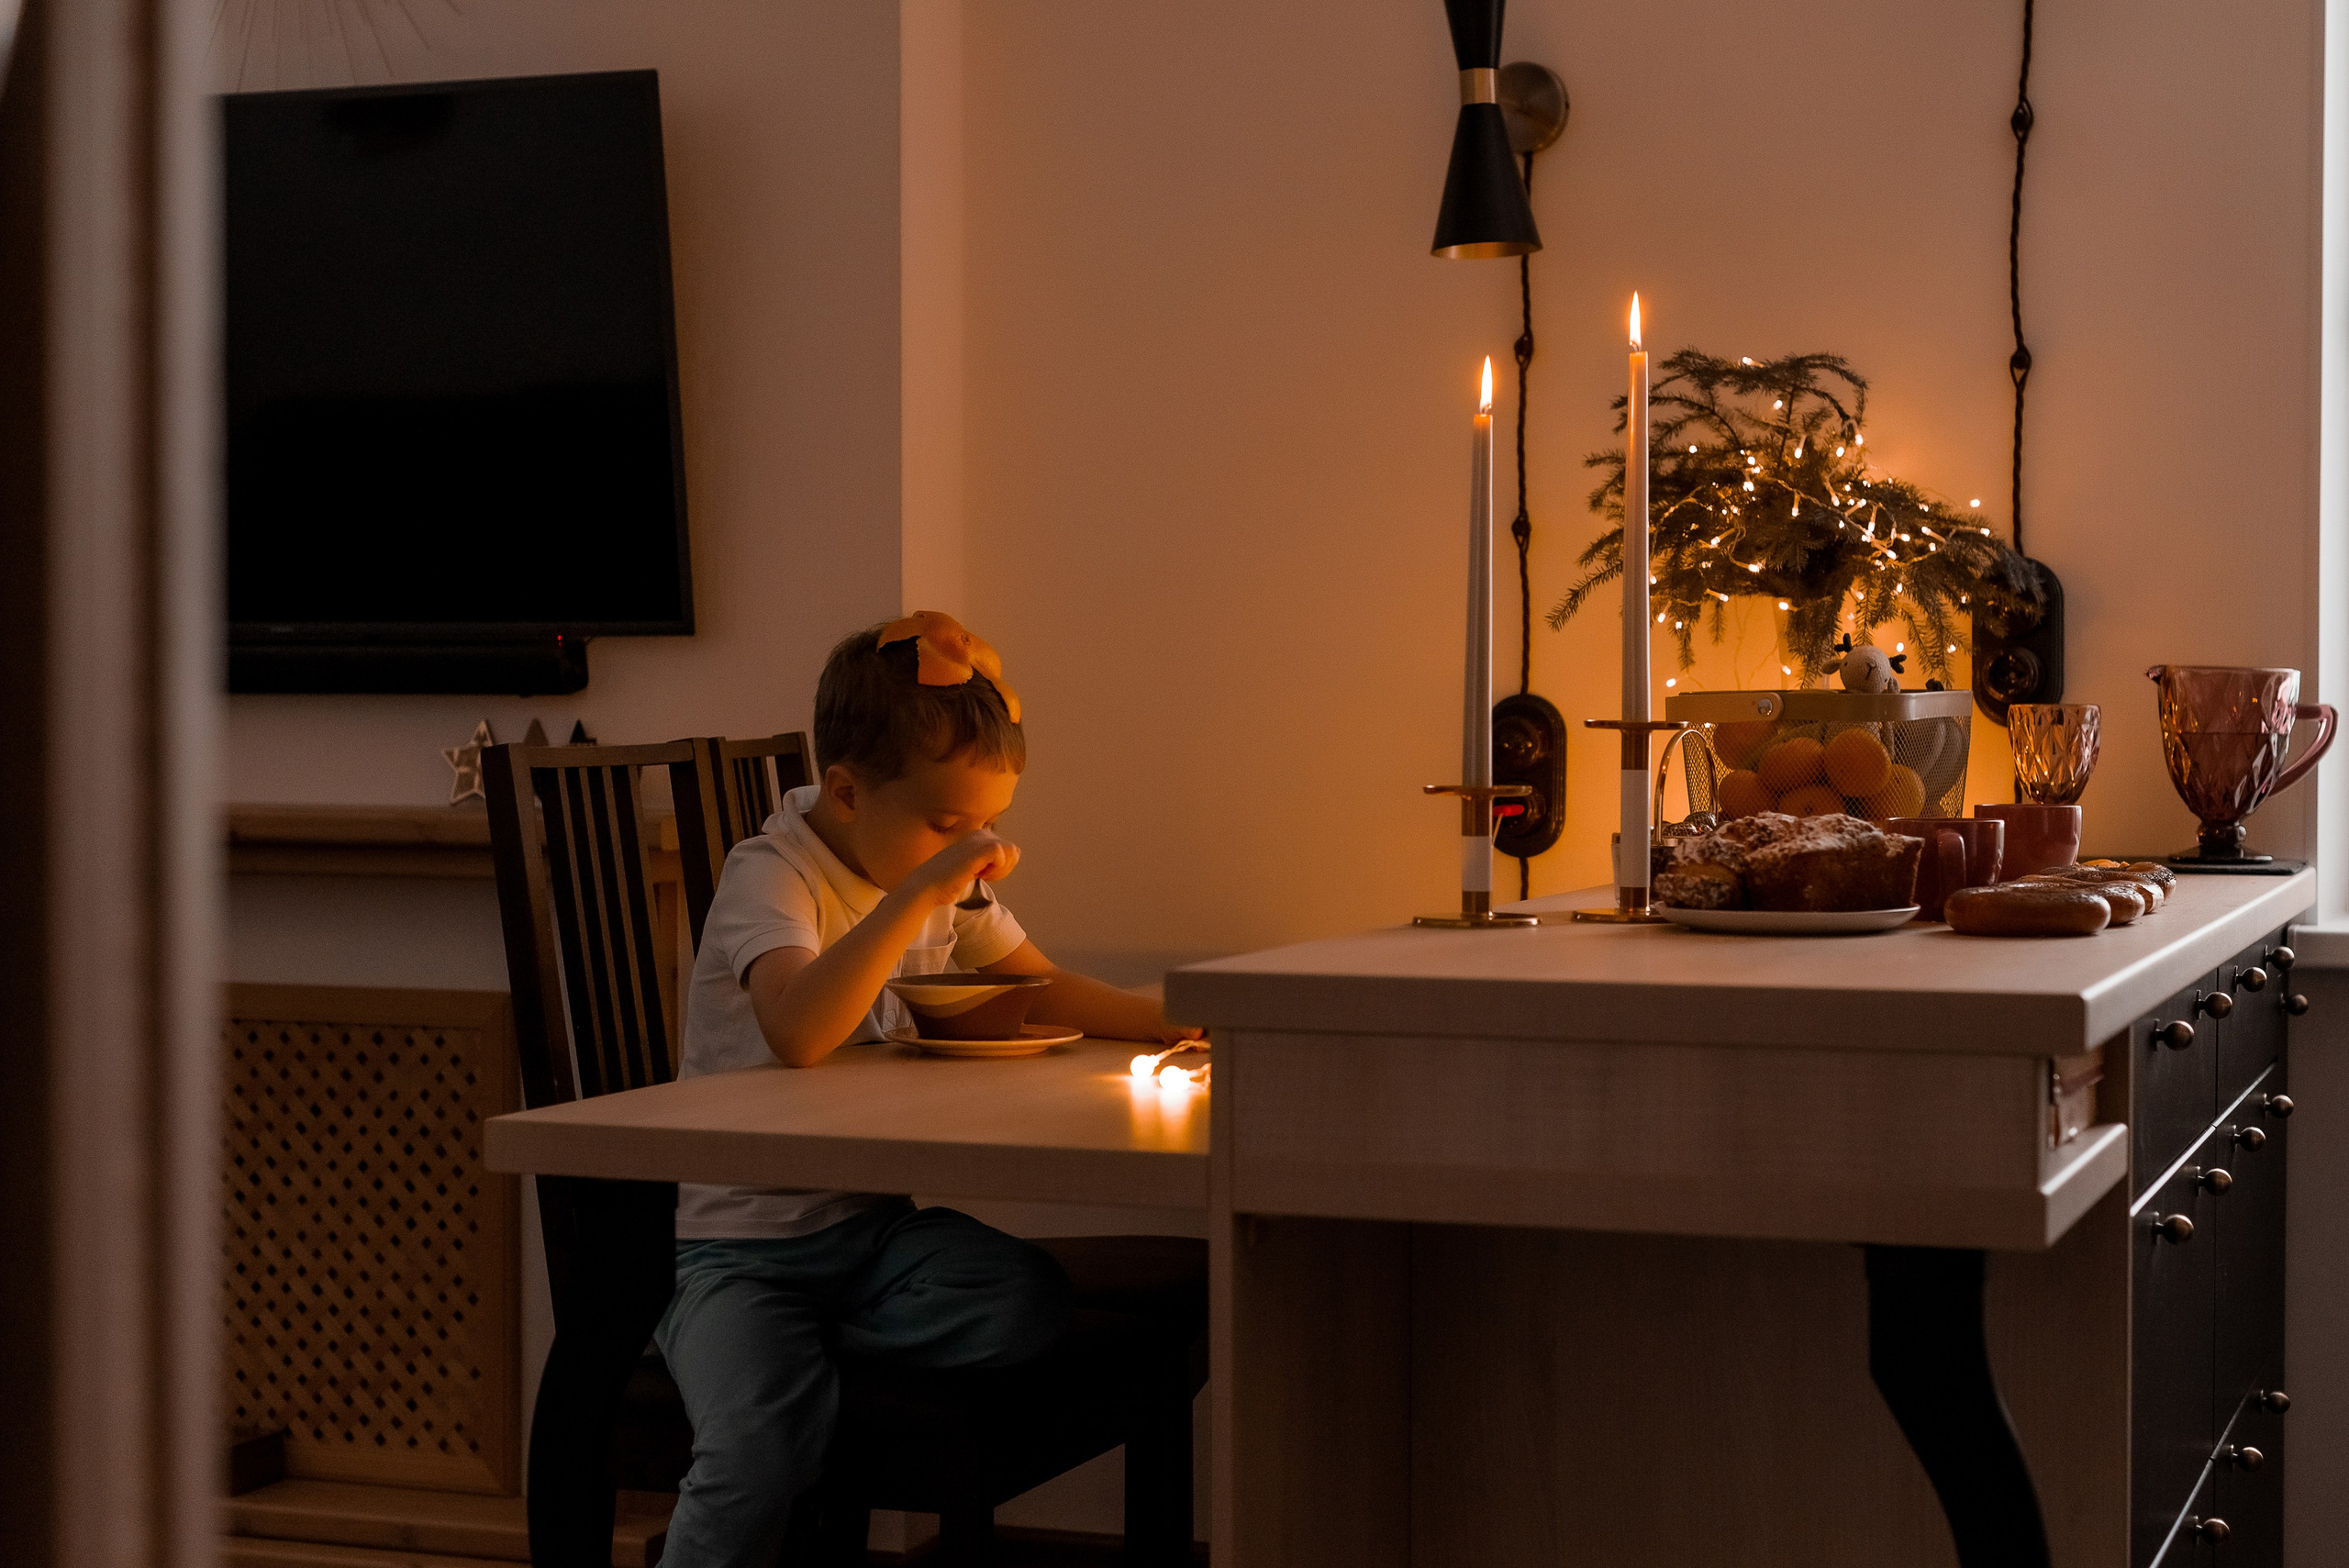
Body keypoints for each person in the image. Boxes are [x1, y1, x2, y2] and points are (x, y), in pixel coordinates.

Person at [654, 611, 1198, 1566]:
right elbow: (801, 1029)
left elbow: (1036, 979)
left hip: (867, 1237)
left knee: (1023, 1297)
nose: (974, 845)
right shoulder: (773, 873)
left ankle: (808, 1351)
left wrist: (1156, 1019)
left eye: (986, 823)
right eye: (950, 824)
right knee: (754, 1452)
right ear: (848, 790)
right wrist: (917, 893)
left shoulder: (939, 872)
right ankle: (748, 1362)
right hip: (741, 1249)